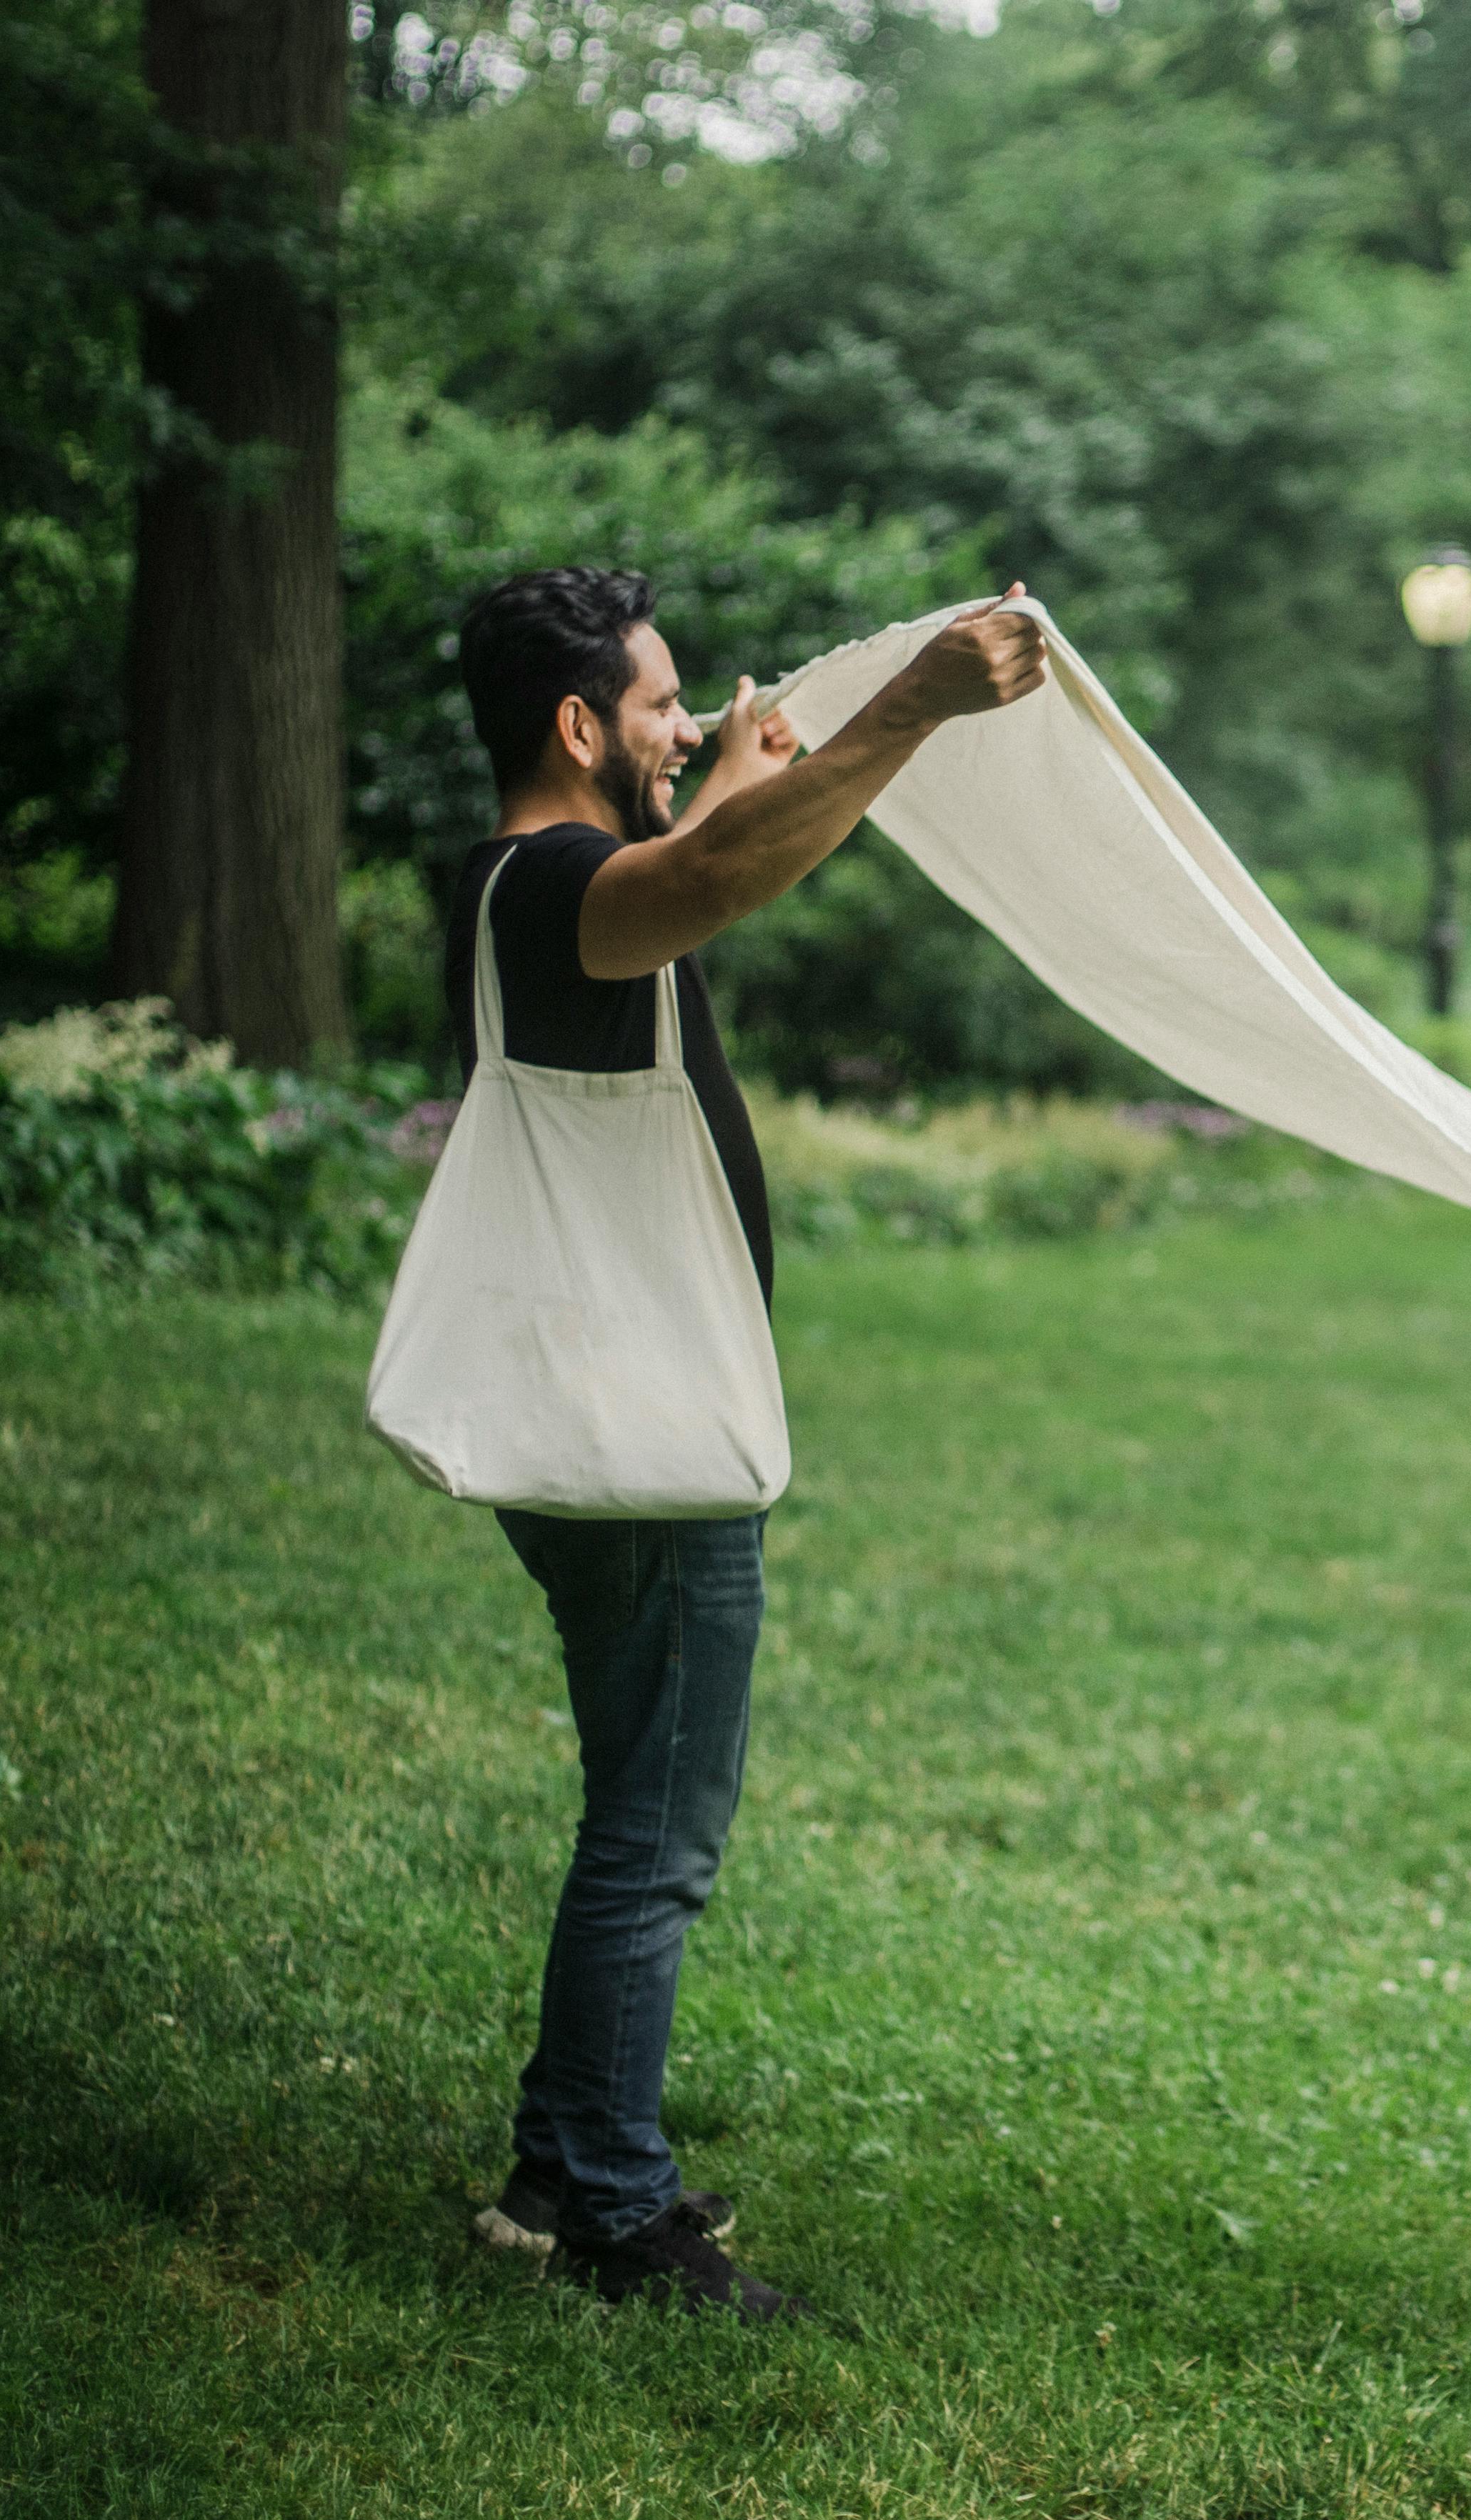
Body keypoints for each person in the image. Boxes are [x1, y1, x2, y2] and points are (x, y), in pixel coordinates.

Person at [441, 570, 1048, 2324]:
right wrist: (914, 703)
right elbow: (696, 887)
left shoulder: (533, 885)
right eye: (657, 707)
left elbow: (701, 874)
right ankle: (613, 2216)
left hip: (607, 1402)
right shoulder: (549, 882)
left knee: (635, 1798)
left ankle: (557, 2169)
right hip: (642, 1427)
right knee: (655, 1827)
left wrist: (722, 787)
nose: (686, 724)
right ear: (576, 726)